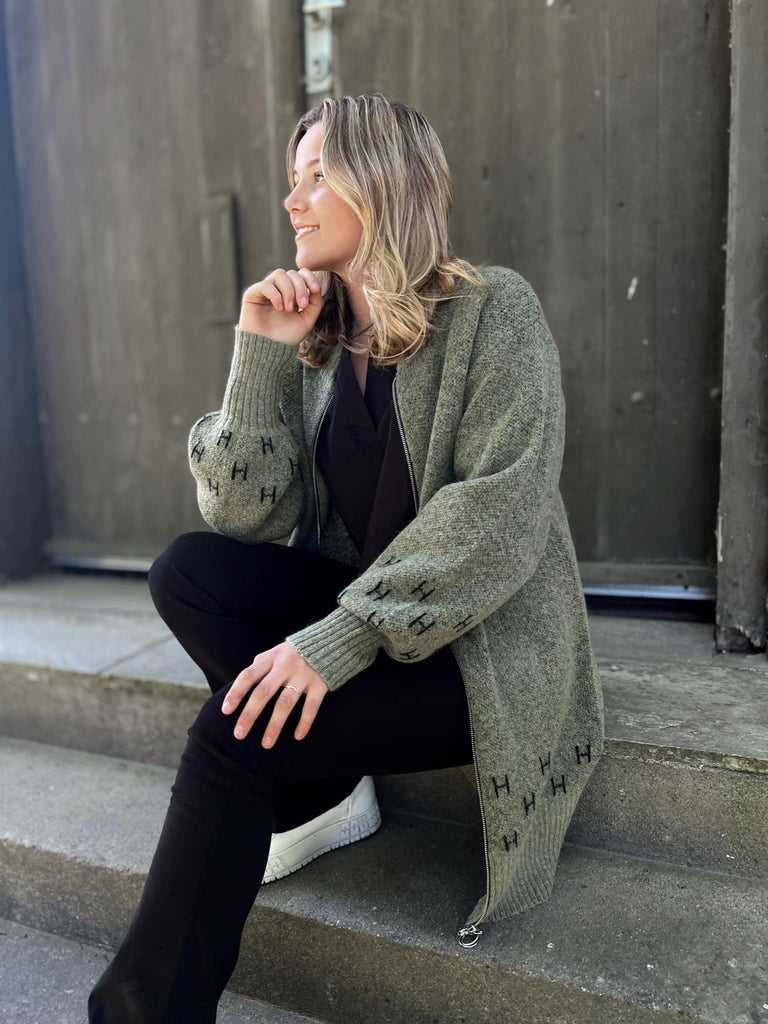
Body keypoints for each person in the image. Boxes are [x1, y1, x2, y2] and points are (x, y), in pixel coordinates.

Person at [88, 92, 604, 1023]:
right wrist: (259, 357)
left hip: (477, 656)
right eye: (292, 178)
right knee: (186, 571)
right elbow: (245, 516)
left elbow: (497, 513)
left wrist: (336, 642)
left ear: (387, 181)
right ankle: (324, 787)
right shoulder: (321, 346)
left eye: (319, 175)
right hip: (366, 626)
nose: (293, 199)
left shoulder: (495, 313)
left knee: (236, 733)